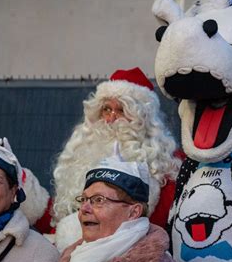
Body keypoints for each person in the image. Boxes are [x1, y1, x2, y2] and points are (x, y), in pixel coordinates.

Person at [44, 67, 182, 250]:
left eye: (122, 110)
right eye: (106, 109)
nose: (111, 119)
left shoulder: (169, 165)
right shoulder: (79, 160)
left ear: (143, 119)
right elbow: (54, 222)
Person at [44, 151, 187, 262]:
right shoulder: (72, 255)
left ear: (133, 212)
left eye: (98, 200)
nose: (84, 209)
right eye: (83, 199)